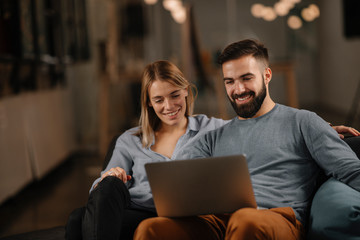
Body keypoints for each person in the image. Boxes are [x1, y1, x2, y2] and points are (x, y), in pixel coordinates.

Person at [65, 59, 358, 240]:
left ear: (186, 93)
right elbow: (101, 195)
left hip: (209, 214)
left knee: (80, 222)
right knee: (101, 205)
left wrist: (320, 128)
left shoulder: (213, 128)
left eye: (174, 96)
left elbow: (259, 124)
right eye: (159, 100)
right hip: (145, 210)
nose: (168, 106)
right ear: (148, 104)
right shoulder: (129, 140)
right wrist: (110, 176)